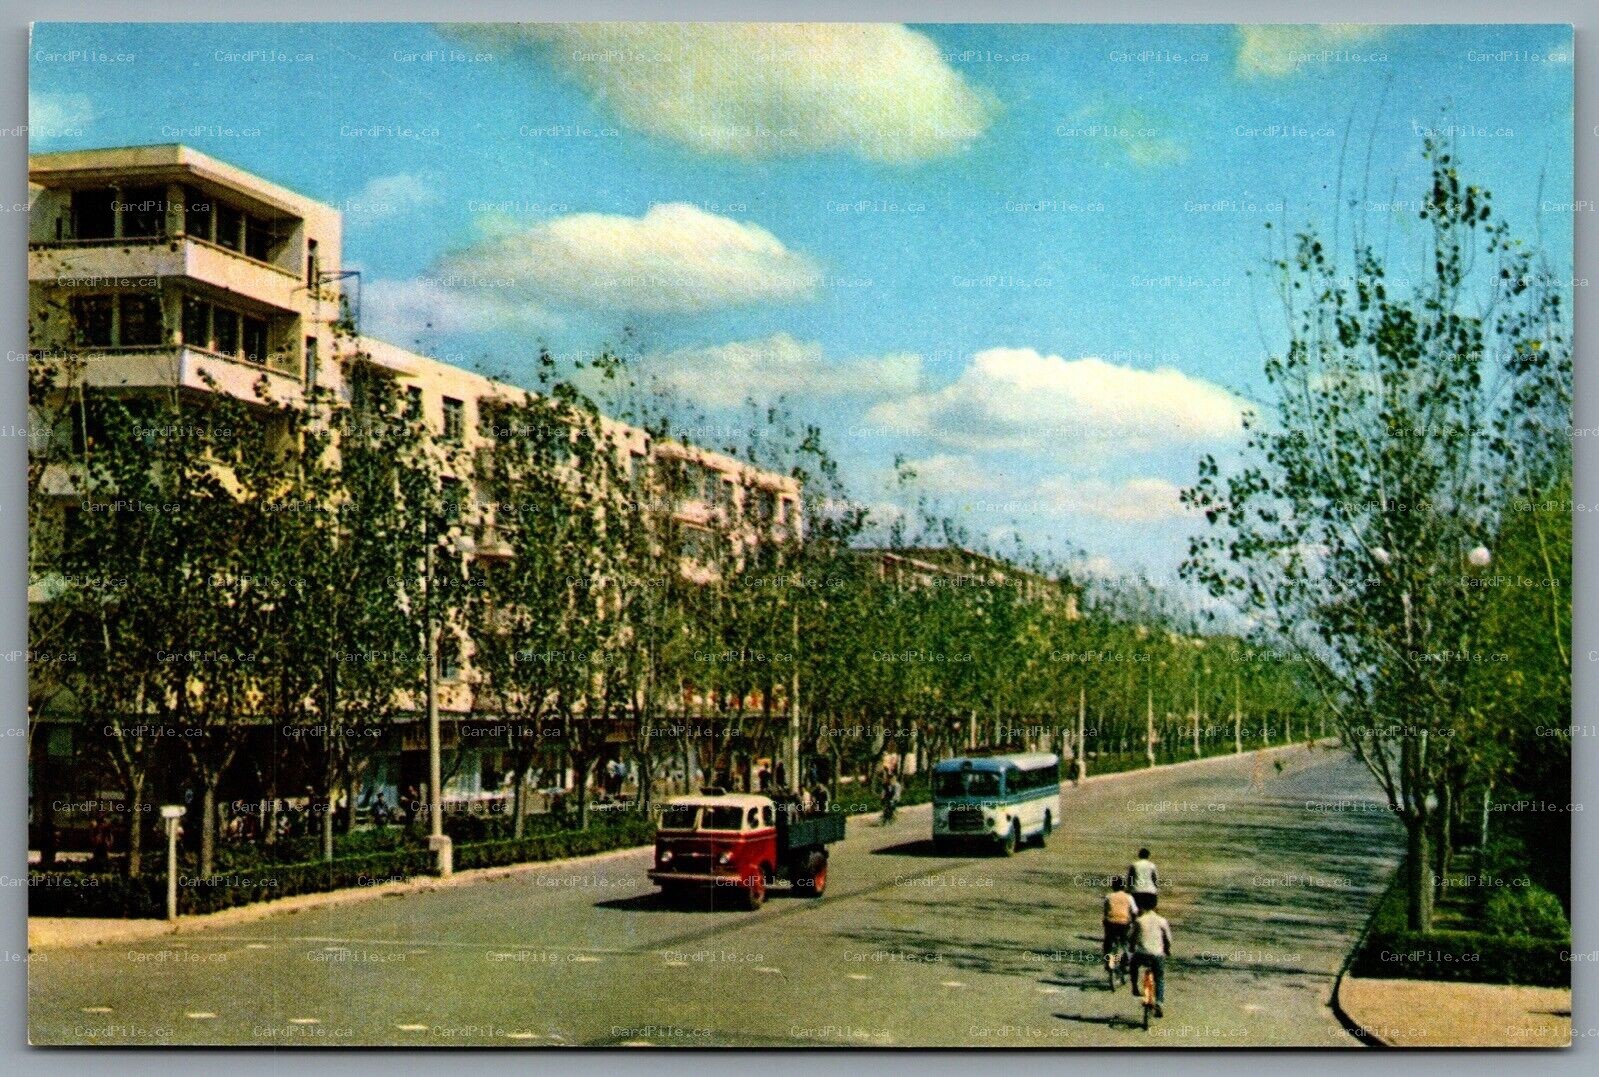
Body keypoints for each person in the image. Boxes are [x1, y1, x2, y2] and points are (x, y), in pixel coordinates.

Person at [1128, 902, 1173, 1018]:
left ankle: (1134, 986)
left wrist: (1131, 947)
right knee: (1159, 977)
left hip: (1141, 954)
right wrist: (1167, 949)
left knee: (1133, 965)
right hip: (1157, 954)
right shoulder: (1162, 921)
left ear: (1143, 908)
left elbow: (1132, 937)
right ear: (1155, 908)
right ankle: (1159, 1002)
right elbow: (1168, 938)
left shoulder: (1139, 920)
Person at [1102, 876, 1139, 978]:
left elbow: (1106, 911)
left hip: (1110, 923)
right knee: (1125, 943)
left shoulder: (1109, 896)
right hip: (1123, 923)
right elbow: (1134, 911)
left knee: (1107, 943)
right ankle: (1126, 962)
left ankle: (1107, 960)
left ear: (1113, 886)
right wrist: (1133, 922)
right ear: (1123, 886)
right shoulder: (1129, 897)